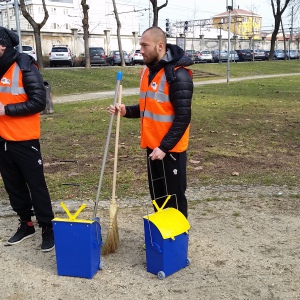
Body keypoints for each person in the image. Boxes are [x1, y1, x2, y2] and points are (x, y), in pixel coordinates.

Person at [109, 26, 193, 218]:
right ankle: (161, 241)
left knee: (174, 201)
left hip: (170, 151)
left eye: (145, 45)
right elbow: (148, 107)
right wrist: (126, 111)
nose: (141, 50)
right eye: (140, 45)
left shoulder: (178, 75)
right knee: (158, 199)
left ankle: (176, 243)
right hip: (152, 148)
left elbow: (183, 117)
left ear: (160, 46)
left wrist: (164, 147)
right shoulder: (146, 73)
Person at [0, 27, 55, 252]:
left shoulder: (25, 66)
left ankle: (47, 228)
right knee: (13, 186)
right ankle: (26, 224)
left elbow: (39, 102)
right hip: (2, 140)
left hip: (25, 140)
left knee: (36, 186)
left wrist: (6, 110)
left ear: (2, 46)